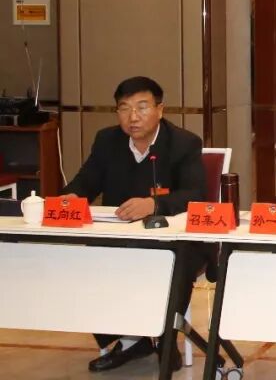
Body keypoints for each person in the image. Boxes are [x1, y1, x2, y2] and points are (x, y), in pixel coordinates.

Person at [61, 76, 207, 373]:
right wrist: (70, 197)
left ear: (160, 109)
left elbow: (195, 194)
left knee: (176, 263)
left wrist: (153, 204)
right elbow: (86, 181)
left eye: (142, 107)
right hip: (118, 236)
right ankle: (131, 340)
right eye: (124, 108)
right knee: (85, 261)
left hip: (172, 239)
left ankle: (165, 338)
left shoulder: (184, 143)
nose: (133, 117)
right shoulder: (107, 141)